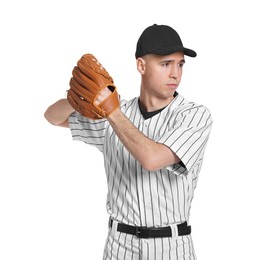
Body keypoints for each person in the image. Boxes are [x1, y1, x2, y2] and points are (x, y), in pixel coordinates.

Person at [44, 24, 213, 260]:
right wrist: (80, 99)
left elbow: (152, 159)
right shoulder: (116, 111)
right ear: (141, 65)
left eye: (180, 64)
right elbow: (53, 117)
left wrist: (112, 111)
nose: (175, 73)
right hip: (119, 245)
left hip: (171, 246)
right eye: (166, 63)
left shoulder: (194, 115)